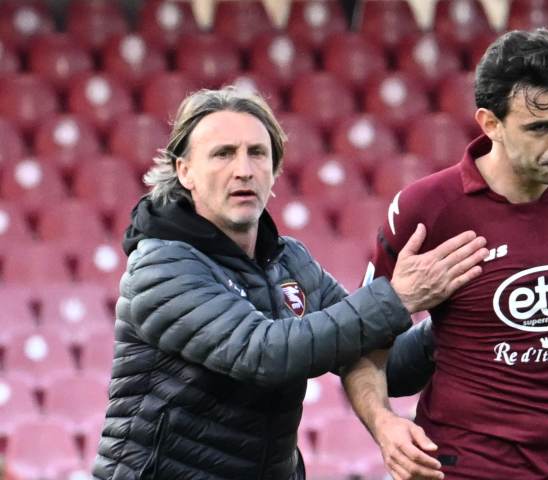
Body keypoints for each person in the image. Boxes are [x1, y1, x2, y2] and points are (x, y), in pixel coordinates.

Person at [91, 87, 489, 480]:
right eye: (223, 154)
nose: (243, 169)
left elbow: (382, 359)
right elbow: (262, 353)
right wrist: (398, 297)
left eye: (257, 153)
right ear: (185, 171)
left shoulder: (289, 260)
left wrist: (455, 314)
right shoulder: (162, 265)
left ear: (275, 168)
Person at [342, 28, 548, 480]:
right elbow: (360, 345)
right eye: (540, 127)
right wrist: (384, 425)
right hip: (465, 467)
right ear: (490, 124)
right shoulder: (427, 209)